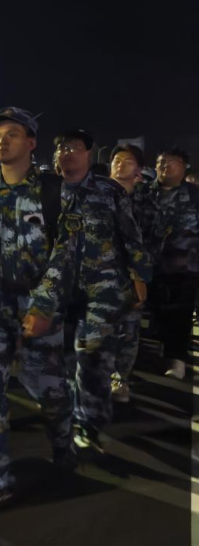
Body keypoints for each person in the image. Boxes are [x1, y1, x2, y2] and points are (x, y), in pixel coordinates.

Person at [0, 107, 76, 510]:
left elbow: (65, 254)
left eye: (12, 134)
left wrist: (45, 305)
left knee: (50, 391)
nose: (1, 140)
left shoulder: (54, 191)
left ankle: (63, 443)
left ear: (31, 143)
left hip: (38, 306)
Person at [53, 129, 151, 452]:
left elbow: (131, 236)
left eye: (75, 147)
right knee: (67, 358)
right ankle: (73, 411)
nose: (67, 152)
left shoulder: (109, 191)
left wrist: (139, 276)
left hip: (103, 290)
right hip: (59, 289)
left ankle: (89, 423)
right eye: (62, 147)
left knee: (92, 356)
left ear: (89, 155)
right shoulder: (45, 190)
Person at [136, 147, 198, 380]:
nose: (165, 166)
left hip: (184, 269)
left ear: (184, 167)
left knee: (180, 315)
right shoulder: (142, 193)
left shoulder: (194, 195)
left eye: (172, 161)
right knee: (149, 315)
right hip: (146, 267)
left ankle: (176, 358)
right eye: (161, 161)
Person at [108, 143, 148, 402]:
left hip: (131, 276)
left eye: (128, 161)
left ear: (138, 169)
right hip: (96, 275)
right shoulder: (93, 195)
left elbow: (149, 241)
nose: (120, 164)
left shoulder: (144, 201)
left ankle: (120, 379)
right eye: (117, 160)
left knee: (129, 330)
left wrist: (141, 275)